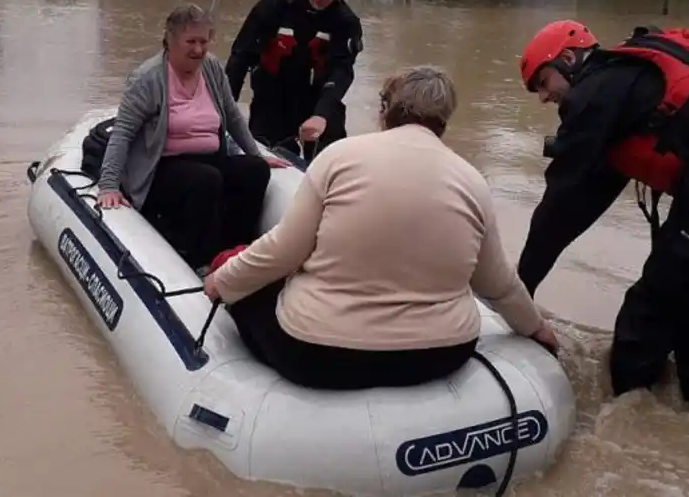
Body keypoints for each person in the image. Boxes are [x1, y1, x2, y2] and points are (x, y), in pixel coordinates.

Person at [202, 65, 559, 390]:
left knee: (248, 291)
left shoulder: (338, 157)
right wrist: (536, 327)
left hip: (320, 353)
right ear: (444, 121)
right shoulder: (472, 181)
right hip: (441, 354)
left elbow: (282, 252)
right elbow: (497, 284)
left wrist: (225, 279)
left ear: (385, 110)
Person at [517, 20, 689, 407]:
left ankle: (628, 418)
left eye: (543, 82)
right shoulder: (629, 82)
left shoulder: (593, 94)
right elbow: (589, 199)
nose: (543, 98)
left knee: (648, 311)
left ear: (569, 59)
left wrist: (519, 290)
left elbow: (561, 206)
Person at [97, 3, 288, 273]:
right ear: (170, 41)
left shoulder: (210, 68)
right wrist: (108, 185)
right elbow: (123, 133)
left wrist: (258, 155)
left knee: (253, 171)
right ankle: (201, 260)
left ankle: (238, 249)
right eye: (190, 42)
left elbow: (232, 116)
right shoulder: (147, 79)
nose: (198, 49)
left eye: (204, 41)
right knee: (205, 180)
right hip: (163, 165)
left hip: (209, 157)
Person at [224, 0, 363, 162]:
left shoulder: (346, 22)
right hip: (272, 97)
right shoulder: (273, 6)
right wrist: (225, 112)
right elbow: (241, 57)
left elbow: (342, 71)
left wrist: (321, 114)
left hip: (317, 99)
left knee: (332, 147)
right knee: (261, 158)